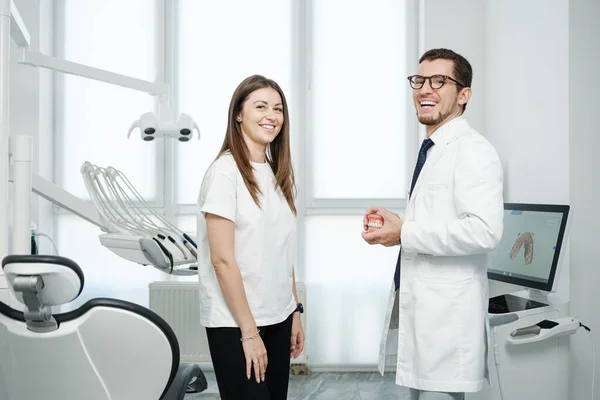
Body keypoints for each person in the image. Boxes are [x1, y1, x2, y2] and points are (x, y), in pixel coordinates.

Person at [362, 48, 504, 400]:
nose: (426, 89)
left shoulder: (473, 150)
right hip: (427, 322)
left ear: (464, 94)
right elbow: (440, 218)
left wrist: (405, 232)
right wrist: (397, 224)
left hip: (447, 328)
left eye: (440, 81)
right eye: (420, 80)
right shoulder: (434, 147)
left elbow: (484, 231)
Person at [196, 74, 304, 399]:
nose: (272, 115)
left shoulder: (275, 173)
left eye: (278, 108)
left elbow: (282, 252)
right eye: (261, 106)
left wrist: (295, 311)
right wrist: (249, 333)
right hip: (236, 323)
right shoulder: (224, 174)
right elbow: (222, 260)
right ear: (239, 114)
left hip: (278, 315)